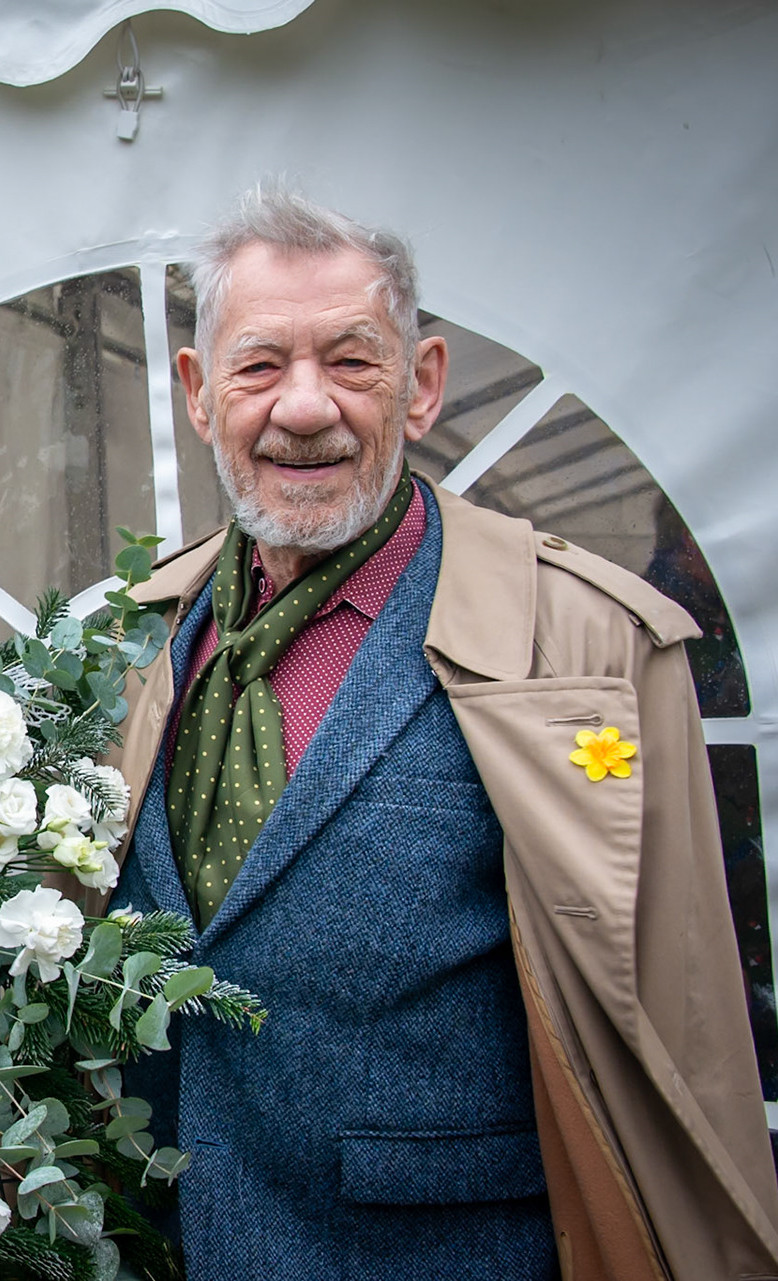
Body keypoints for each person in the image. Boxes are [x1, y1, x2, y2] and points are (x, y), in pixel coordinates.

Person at [100, 187, 778, 1280]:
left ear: (421, 386)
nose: (305, 408)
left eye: (351, 362)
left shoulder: (586, 645)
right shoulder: (131, 647)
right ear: (197, 392)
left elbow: (686, 1038)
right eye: (260, 365)